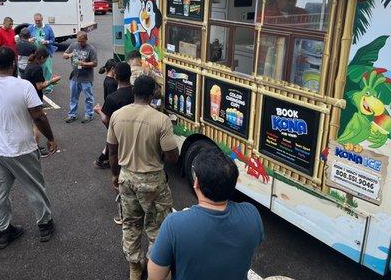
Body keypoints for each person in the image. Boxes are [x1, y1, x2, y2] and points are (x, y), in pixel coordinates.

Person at [0, 47, 56, 249]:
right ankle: (44, 225)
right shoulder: (23, 86)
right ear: (14, 63)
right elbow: (38, 115)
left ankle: (2, 231)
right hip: (22, 148)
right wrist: (50, 138)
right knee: (34, 187)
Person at [148, 145, 264, 280]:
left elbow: (155, 277)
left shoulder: (174, 224)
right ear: (233, 184)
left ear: (196, 183)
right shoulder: (252, 214)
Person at [106, 75, 179, 280]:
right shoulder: (161, 120)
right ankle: (156, 267)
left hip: (126, 178)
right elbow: (173, 157)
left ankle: (135, 267)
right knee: (157, 227)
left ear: (133, 92)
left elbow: (112, 151)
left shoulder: (118, 115)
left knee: (131, 223)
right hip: (153, 181)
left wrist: (114, 174)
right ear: (152, 94)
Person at [93, 62, 134, 167]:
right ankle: (102, 158)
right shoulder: (137, 93)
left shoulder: (112, 98)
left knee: (114, 151)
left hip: (119, 132)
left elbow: (106, 120)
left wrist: (99, 111)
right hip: (135, 130)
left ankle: (105, 161)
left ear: (115, 76)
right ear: (130, 75)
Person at [23, 47, 61, 157]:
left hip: (27, 98)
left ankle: (32, 146)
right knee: (37, 124)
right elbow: (40, 86)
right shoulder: (37, 68)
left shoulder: (29, 65)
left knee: (31, 123)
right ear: (41, 58)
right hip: (35, 99)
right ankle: (36, 148)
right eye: (45, 59)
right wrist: (52, 81)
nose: (45, 62)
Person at [63, 31, 97, 123]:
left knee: (88, 97)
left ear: (86, 39)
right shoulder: (73, 46)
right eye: (78, 41)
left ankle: (88, 114)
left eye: (81, 41)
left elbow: (95, 63)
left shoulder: (91, 49)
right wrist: (69, 55)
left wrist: (84, 63)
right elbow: (64, 55)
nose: (79, 43)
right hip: (75, 77)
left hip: (86, 78)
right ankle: (72, 115)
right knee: (73, 97)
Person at [28, 13, 57, 94]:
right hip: (35, 53)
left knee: (47, 69)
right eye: (36, 20)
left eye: (39, 20)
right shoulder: (30, 27)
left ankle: (48, 87)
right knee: (36, 70)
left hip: (46, 53)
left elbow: (53, 40)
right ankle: (36, 85)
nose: (37, 22)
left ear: (42, 19)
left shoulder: (48, 28)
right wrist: (30, 40)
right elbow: (26, 38)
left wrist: (47, 41)